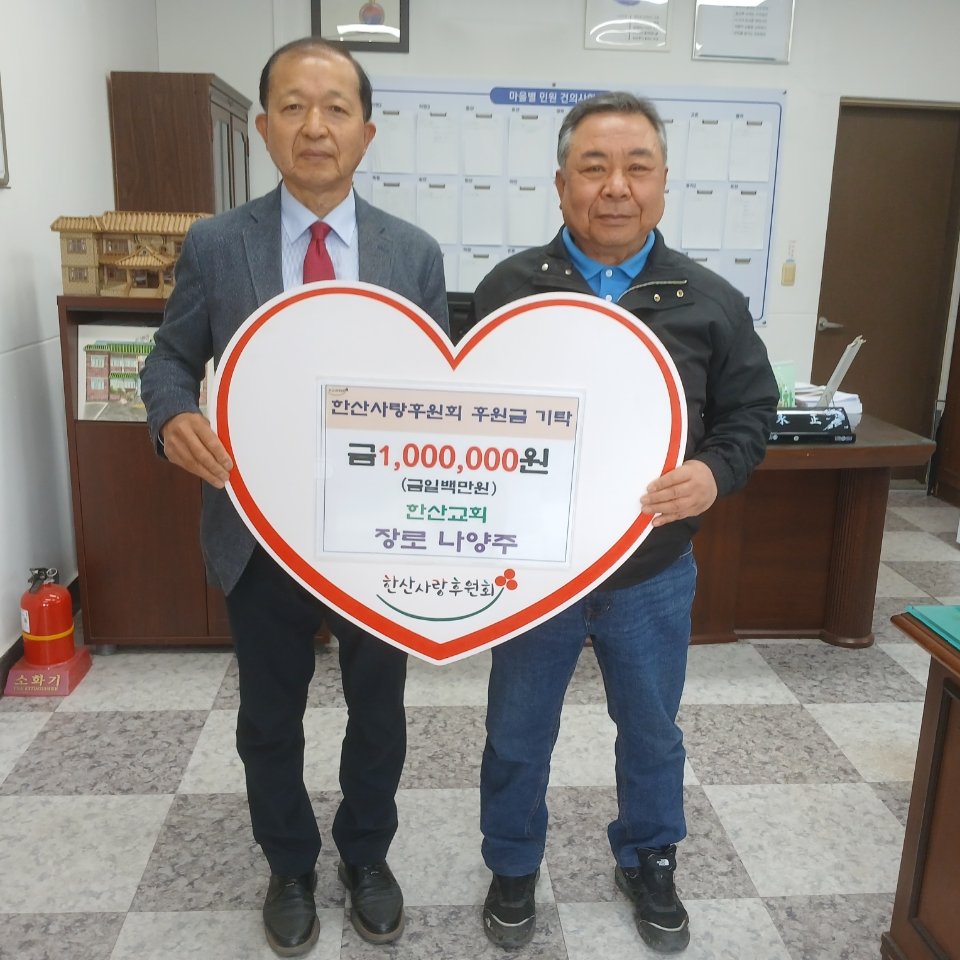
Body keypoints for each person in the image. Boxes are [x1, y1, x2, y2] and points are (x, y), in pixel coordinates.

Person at [141, 37, 448, 957]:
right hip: (258, 525)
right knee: (268, 717)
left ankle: (367, 855)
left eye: (336, 108)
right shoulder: (216, 244)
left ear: (367, 132)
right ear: (265, 126)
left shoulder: (413, 252)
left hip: (375, 534)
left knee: (379, 711)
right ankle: (288, 864)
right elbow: (169, 358)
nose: (316, 126)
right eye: (294, 107)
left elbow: (439, 389)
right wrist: (172, 416)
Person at [471, 92, 778, 954]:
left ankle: (649, 858)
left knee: (651, 731)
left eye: (636, 167)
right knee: (516, 731)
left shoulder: (709, 300)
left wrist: (712, 473)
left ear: (664, 181)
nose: (616, 186)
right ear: (561, 183)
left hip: (651, 571)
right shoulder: (510, 291)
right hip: (535, 570)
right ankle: (512, 863)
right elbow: (465, 413)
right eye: (594, 167)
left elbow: (751, 412)